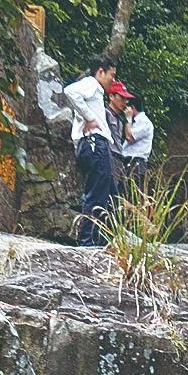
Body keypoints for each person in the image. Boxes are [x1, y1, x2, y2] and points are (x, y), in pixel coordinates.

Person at [63, 55, 117, 246]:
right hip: (95, 143)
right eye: (111, 74)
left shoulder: (95, 90)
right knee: (97, 195)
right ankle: (88, 243)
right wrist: (89, 117)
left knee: (111, 196)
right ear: (100, 71)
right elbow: (70, 91)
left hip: (96, 145)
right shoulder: (92, 83)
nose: (113, 79)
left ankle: (102, 241)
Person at [121, 92, 154, 190]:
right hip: (129, 162)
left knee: (133, 196)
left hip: (136, 164)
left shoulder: (144, 122)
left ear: (132, 107)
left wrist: (128, 119)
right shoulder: (136, 122)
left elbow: (129, 137)